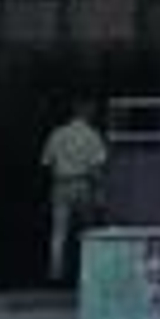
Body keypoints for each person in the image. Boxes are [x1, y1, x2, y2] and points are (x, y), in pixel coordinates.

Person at [39, 100, 108, 285]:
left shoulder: (57, 133)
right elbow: (97, 167)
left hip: (61, 184)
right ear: (87, 113)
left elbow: (47, 162)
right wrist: (100, 191)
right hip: (83, 183)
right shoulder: (92, 135)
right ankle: (88, 268)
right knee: (87, 231)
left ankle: (56, 269)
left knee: (59, 230)